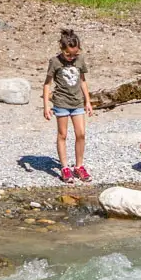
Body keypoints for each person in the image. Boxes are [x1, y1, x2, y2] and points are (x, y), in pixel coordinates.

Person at [42, 28, 92, 183]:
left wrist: (88, 101)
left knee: (81, 133)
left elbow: (82, 81)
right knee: (62, 134)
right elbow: (47, 85)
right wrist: (46, 106)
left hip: (77, 102)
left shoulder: (80, 60)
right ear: (61, 49)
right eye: (68, 54)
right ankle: (64, 167)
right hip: (61, 102)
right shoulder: (55, 62)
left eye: (74, 54)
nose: (71, 58)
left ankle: (79, 166)